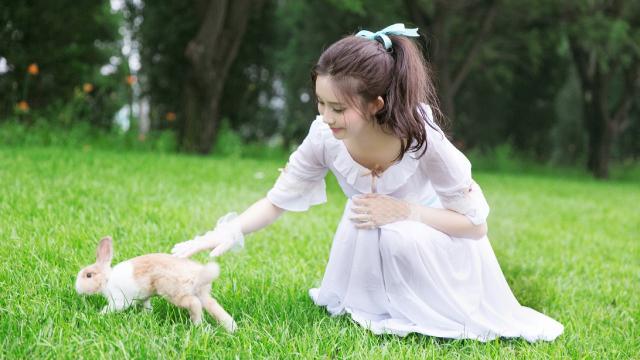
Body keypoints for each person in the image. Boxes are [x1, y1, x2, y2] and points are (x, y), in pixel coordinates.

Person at [171, 24, 564, 342]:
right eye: (320, 103)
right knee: (367, 218)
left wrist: (404, 211)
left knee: (396, 232)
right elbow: (278, 199)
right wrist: (224, 232)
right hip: (366, 241)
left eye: (338, 108)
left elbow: (475, 226)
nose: (326, 116)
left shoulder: (421, 139)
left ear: (377, 103)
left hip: (435, 245)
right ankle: (376, 299)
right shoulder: (324, 136)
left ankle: (421, 306)